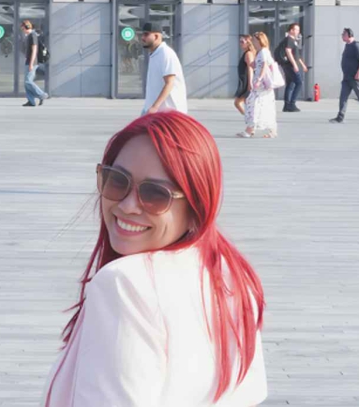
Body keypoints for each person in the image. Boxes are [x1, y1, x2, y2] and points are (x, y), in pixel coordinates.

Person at [43, 111, 267, 407]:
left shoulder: (124, 284)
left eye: (155, 194)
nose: (128, 205)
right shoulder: (230, 273)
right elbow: (250, 393)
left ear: (196, 206)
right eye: (117, 180)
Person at [329, 28, 359, 124]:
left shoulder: (356, 45)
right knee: (343, 97)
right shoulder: (347, 45)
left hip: (355, 77)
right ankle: (340, 117)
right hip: (347, 77)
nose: (342, 36)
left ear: (349, 35)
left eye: (344, 34)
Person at [139, 23, 187, 116]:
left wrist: (155, 107)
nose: (142, 38)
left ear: (156, 36)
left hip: (169, 113)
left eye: (146, 34)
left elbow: (169, 83)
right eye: (142, 34)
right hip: (154, 111)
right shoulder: (155, 54)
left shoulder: (166, 53)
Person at [239, 32, 279, 140]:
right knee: (260, 105)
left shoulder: (264, 52)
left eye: (255, 40)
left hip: (261, 84)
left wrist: (259, 79)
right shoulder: (260, 52)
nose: (253, 42)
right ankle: (266, 130)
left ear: (260, 41)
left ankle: (251, 129)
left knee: (254, 104)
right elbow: (257, 65)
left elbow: (265, 65)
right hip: (261, 84)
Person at [279, 23, 307, 113]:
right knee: (299, 83)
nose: (298, 31)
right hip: (290, 65)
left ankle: (287, 105)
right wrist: (294, 65)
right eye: (296, 29)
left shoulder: (293, 41)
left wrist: (302, 65)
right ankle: (292, 104)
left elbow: (297, 56)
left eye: (298, 30)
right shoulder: (289, 39)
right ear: (291, 30)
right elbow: (288, 51)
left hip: (288, 65)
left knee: (290, 84)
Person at [21, 19, 48, 108]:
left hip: (32, 62)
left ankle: (42, 95)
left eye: (23, 28)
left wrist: (31, 63)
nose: (23, 30)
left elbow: (34, 50)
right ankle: (31, 101)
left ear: (26, 27)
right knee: (26, 83)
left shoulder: (33, 36)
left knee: (28, 81)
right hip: (28, 61)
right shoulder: (29, 36)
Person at [233, 35, 255, 120]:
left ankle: (249, 118)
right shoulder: (246, 53)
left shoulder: (248, 54)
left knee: (238, 102)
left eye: (242, 42)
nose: (240, 44)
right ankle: (249, 118)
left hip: (246, 81)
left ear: (248, 43)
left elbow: (250, 69)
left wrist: (250, 83)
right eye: (240, 42)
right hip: (243, 80)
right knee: (245, 102)